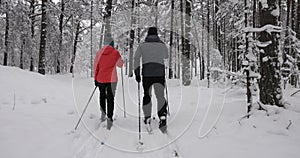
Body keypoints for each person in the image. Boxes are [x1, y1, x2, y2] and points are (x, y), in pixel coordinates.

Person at [134, 27, 169, 133]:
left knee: (147, 95)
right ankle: (162, 116)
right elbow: (166, 56)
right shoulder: (162, 45)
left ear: (148, 34)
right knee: (160, 96)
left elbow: (136, 58)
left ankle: (147, 116)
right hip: (159, 74)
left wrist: (137, 73)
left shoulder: (142, 45)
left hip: (147, 75)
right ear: (157, 34)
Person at [94, 37, 123, 130]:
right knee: (111, 98)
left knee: (102, 96)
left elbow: (96, 67)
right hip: (112, 80)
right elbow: (120, 65)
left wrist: (95, 79)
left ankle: (103, 113)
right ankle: (109, 118)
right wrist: (120, 59)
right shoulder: (115, 53)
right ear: (112, 44)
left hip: (101, 79)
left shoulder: (99, 53)